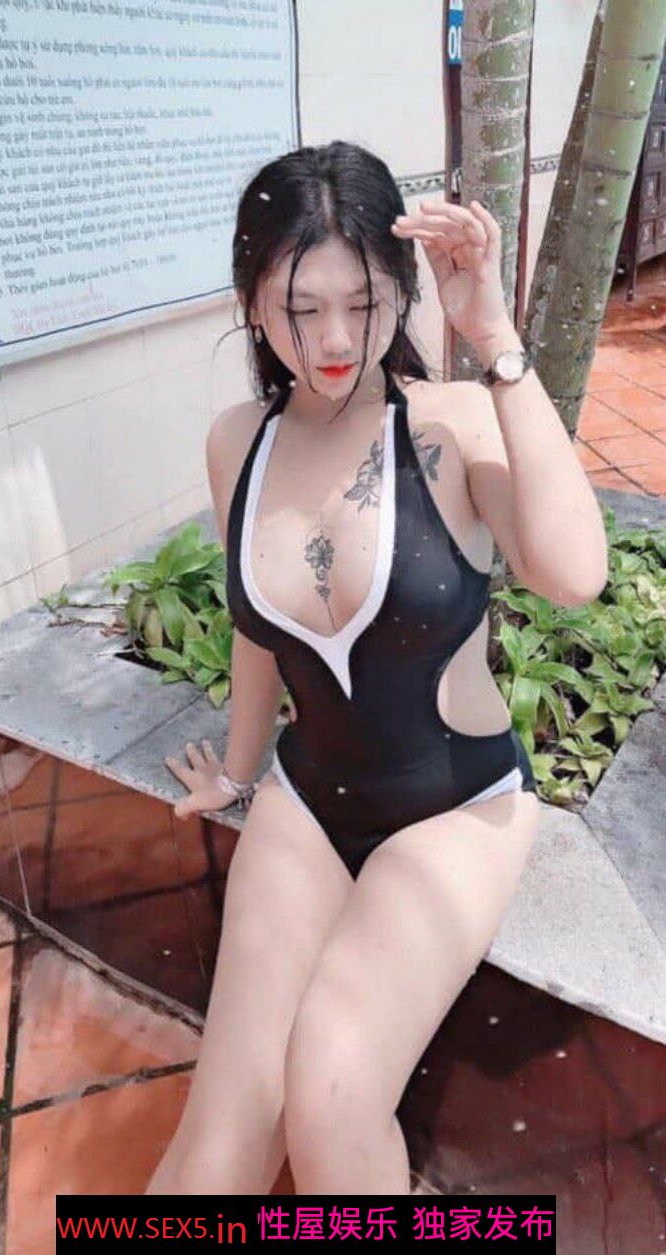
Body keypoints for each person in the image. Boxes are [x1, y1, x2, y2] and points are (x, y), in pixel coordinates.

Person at [146, 141, 608, 1196]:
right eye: (299, 307)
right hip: (308, 798)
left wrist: (493, 338)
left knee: (331, 1095)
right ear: (251, 302)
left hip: (456, 806)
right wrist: (237, 768)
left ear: (401, 289)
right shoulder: (238, 441)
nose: (334, 339)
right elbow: (258, 630)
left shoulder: (448, 421)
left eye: (362, 302)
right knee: (213, 1154)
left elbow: (573, 574)